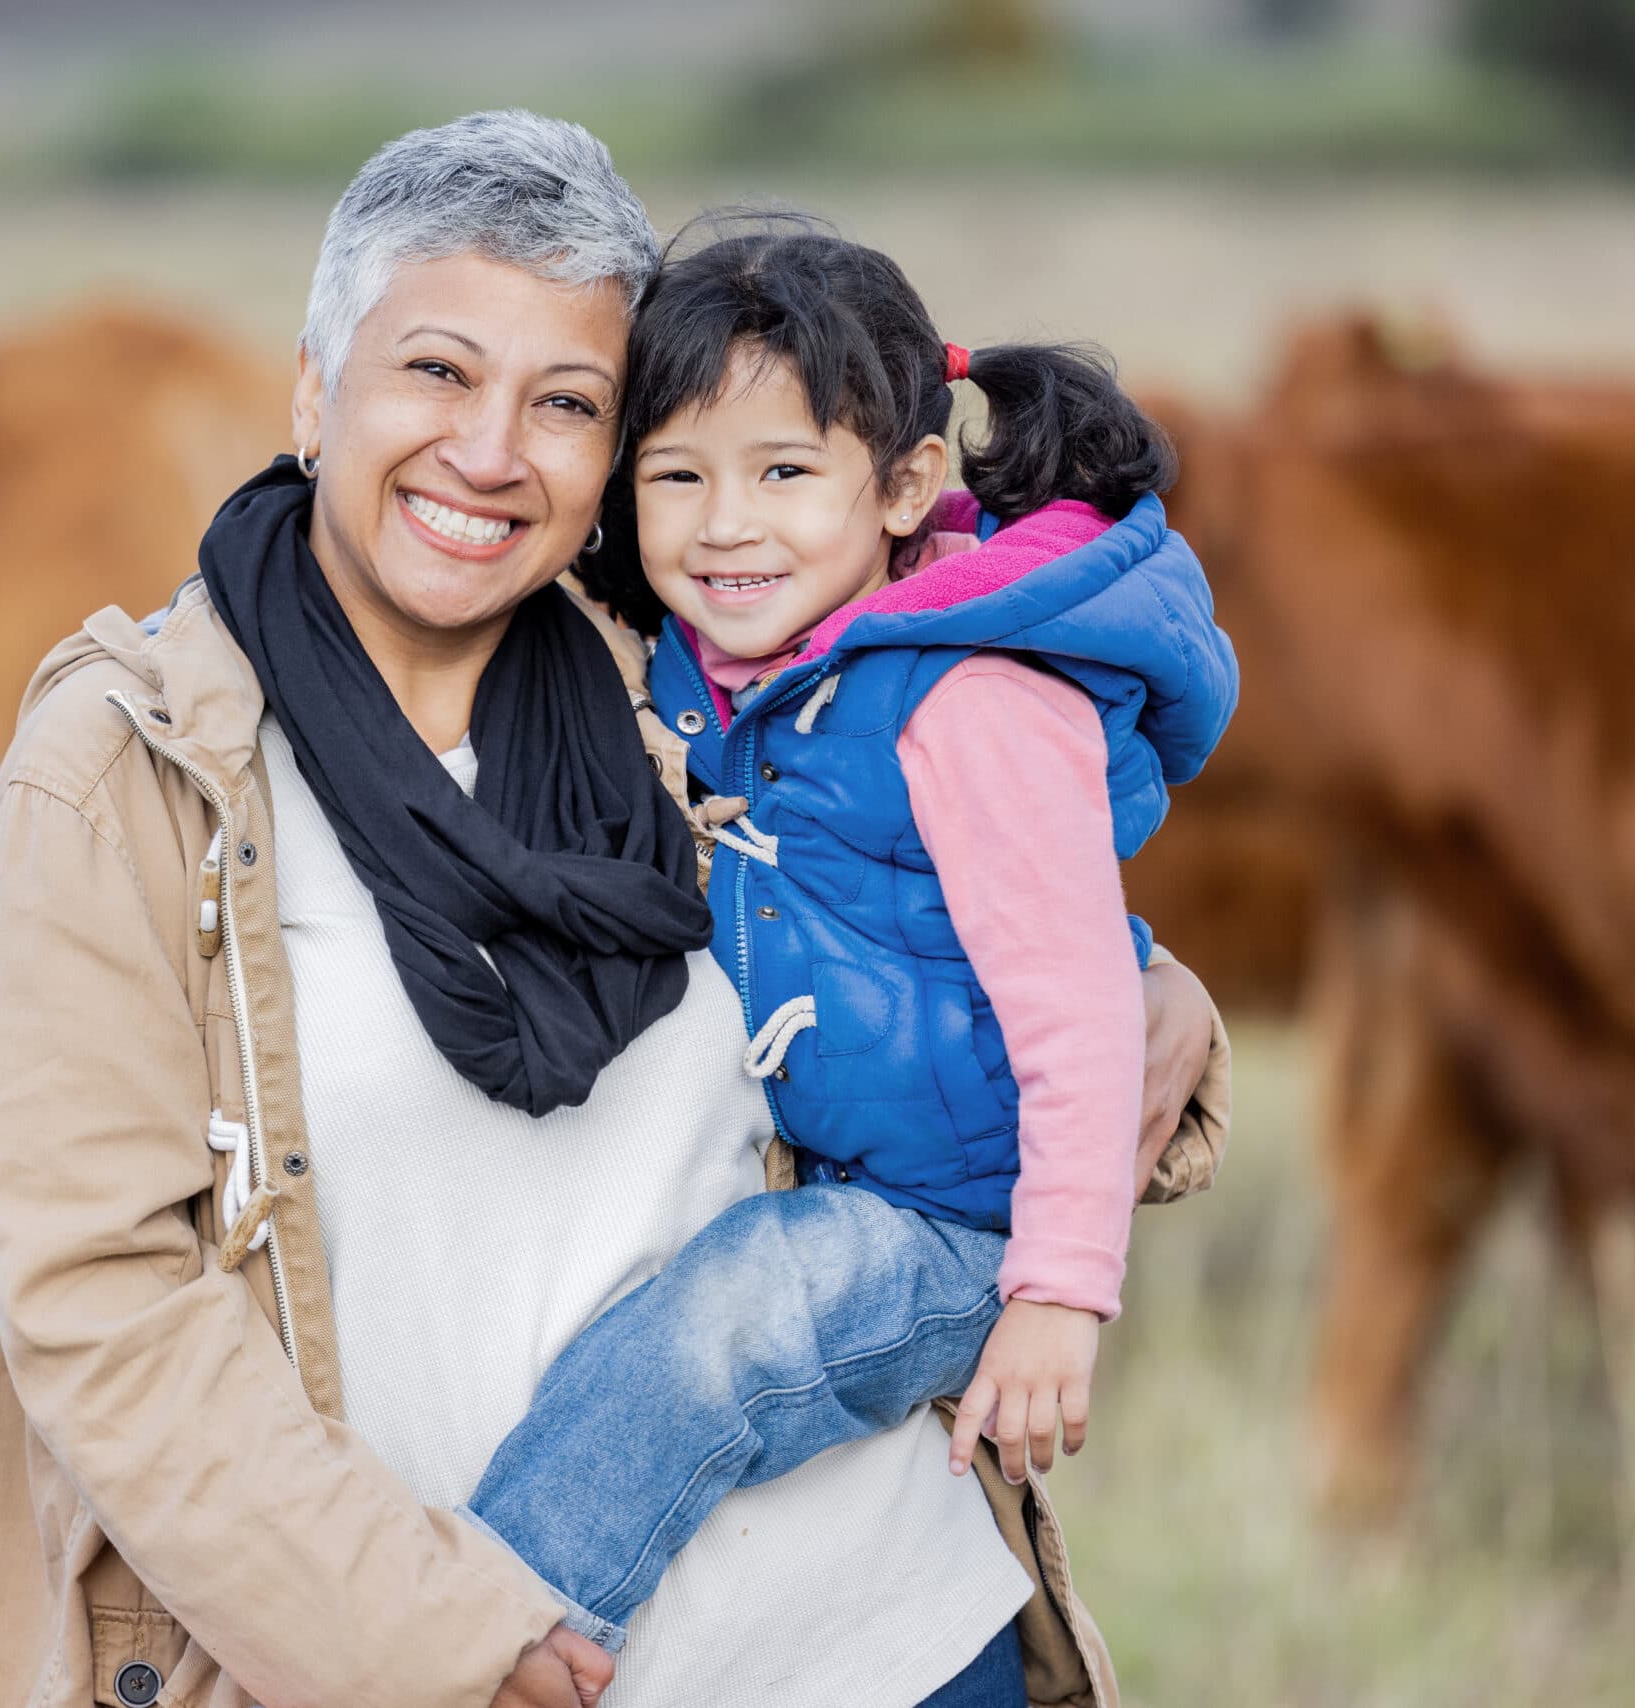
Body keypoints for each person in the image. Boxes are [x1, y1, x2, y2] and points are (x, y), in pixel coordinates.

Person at [0, 112, 1231, 1708]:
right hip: (468, 1675)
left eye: (565, 403)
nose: (490, 452)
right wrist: (426, 1638)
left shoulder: (679, 682)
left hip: (882, 1638)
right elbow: (107, 1319)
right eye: (437, 372)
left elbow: (951, 898)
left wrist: (1164, 994)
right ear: (314, 392)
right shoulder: (130, 774)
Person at [458, 222, 1235, 1666]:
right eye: (677, 477)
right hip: (850, 1174)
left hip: (961, 1221)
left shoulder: (973, 702)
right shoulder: (708, 671)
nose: (724, 526)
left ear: (906, 487)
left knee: (719, 1330)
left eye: (783, 474)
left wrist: (1059, 1291)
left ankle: (478, 1639)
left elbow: (1082, 1011)